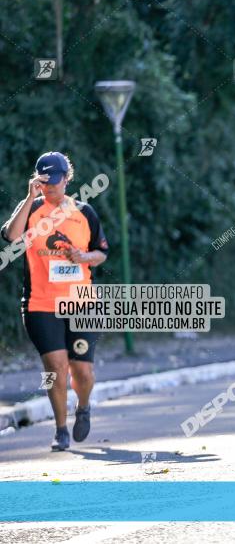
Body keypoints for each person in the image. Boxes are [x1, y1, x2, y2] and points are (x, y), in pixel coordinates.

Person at [1, 152, 109, 451]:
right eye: (44, 181)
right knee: (55, 366)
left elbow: (101, 253)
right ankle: (61, 428)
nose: (50, 186)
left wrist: (84, 256)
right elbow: (10, 236)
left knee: (82, 371)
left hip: (81, 301)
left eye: (56, 181)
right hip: (41, 303)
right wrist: (28, 197)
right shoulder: (32, 210)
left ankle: (83, 406)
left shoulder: (84, 212)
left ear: (67, 179)